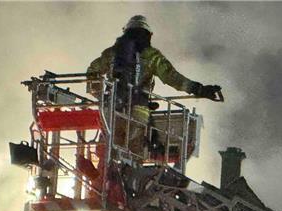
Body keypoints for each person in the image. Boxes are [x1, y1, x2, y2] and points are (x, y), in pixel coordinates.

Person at [86, 15, 221, 159]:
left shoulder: (111, 53)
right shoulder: (152, 56)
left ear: (125, 32)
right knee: (134, 153)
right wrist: (199, 89)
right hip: (139, 111)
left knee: (108, 151)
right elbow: (172, 77)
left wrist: (101, 95)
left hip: (111, 110)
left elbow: (92, 72)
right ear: (149, 35)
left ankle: (106, 175)